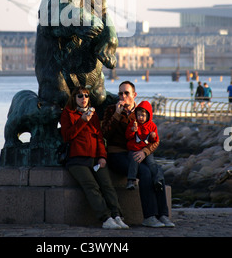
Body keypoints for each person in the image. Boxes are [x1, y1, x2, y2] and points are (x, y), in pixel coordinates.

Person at [101, 80, 175, 228]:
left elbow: (153, 138)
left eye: (126, 93)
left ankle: (163, 215)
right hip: (117, 154)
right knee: (145, 172)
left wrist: (145, 151)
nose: (122, 96)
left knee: (157, 171)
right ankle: (149, 216)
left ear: (134, 95)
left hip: (138, 152)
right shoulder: (112, 110)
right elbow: (104, 134)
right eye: (120, 93)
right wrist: (116, 114)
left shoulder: (141, 113)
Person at [60, 85, 129, 229]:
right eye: (80, 96)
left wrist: (102, 157)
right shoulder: (68, 113)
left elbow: (99, 138)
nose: (83, 99)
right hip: (76, 159)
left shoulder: (94, 115)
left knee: (107, 185)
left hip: (96, 159)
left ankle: (117, 215)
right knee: (92, 186)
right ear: (74, 98)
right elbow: (67, 136)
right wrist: (82, 121)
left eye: (86, 96)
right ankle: (106, 218)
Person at [125, 100, 164, 192]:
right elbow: (128, 137)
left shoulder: (152, 126)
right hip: (134, 148)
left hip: (146, 149)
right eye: (138, 115)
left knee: (152, 163)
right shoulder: (133, 124)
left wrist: (154, 136)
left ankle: (157, 180)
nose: (140, 118)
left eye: (143, 116)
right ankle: (131, 180)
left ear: (148, 115)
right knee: (134, 161)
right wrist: (132, 130)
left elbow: (154, 141)